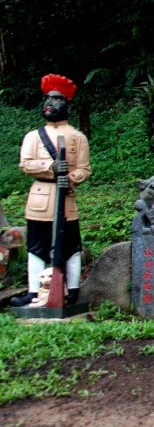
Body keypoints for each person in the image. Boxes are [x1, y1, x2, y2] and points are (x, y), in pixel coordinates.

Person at [9, 74, 91, 307]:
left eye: (55, 99)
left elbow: (84, 168)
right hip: (40, 199)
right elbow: (26, 163)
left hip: (66, 199)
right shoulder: (33, 137)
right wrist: (50, 167)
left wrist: (72, 177)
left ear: (66, 104)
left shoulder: (78, 137)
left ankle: (72, 291)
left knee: (72, 246)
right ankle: (34, 292)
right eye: (46, 99)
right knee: (36, 246)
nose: (49, 103)